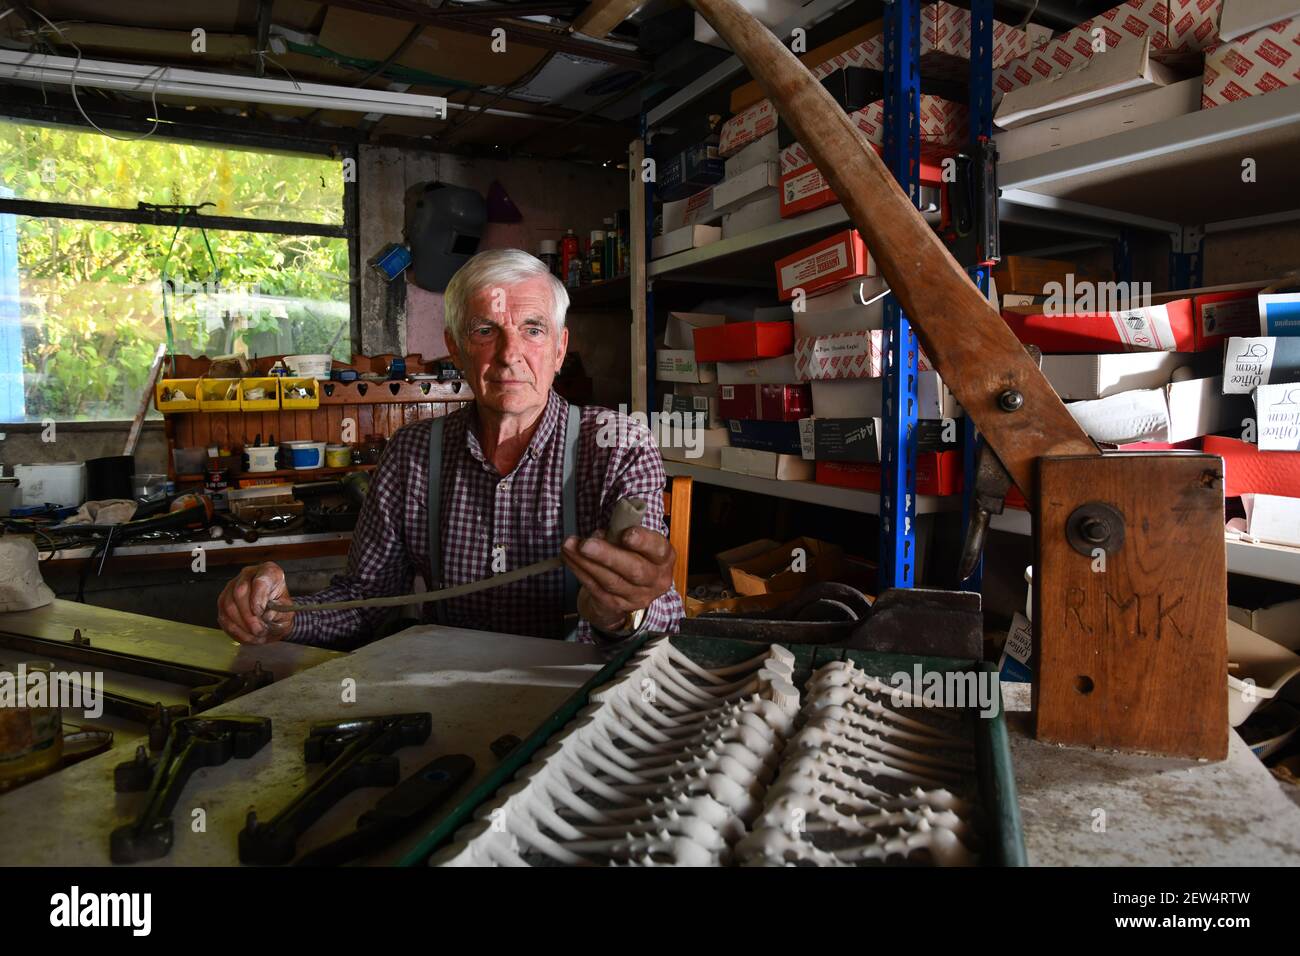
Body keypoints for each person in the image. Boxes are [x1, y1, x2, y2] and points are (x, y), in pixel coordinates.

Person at [217, 248, 683, 648]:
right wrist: (281, 615)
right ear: (455, 350)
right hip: (446, 695)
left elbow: (663, 617)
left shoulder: (616, 444)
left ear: (559, 351)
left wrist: (623, 612)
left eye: (533, 330)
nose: (508, 354)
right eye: (485, 331)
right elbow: (365, 602)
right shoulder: (413, 454)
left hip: (575, 698)